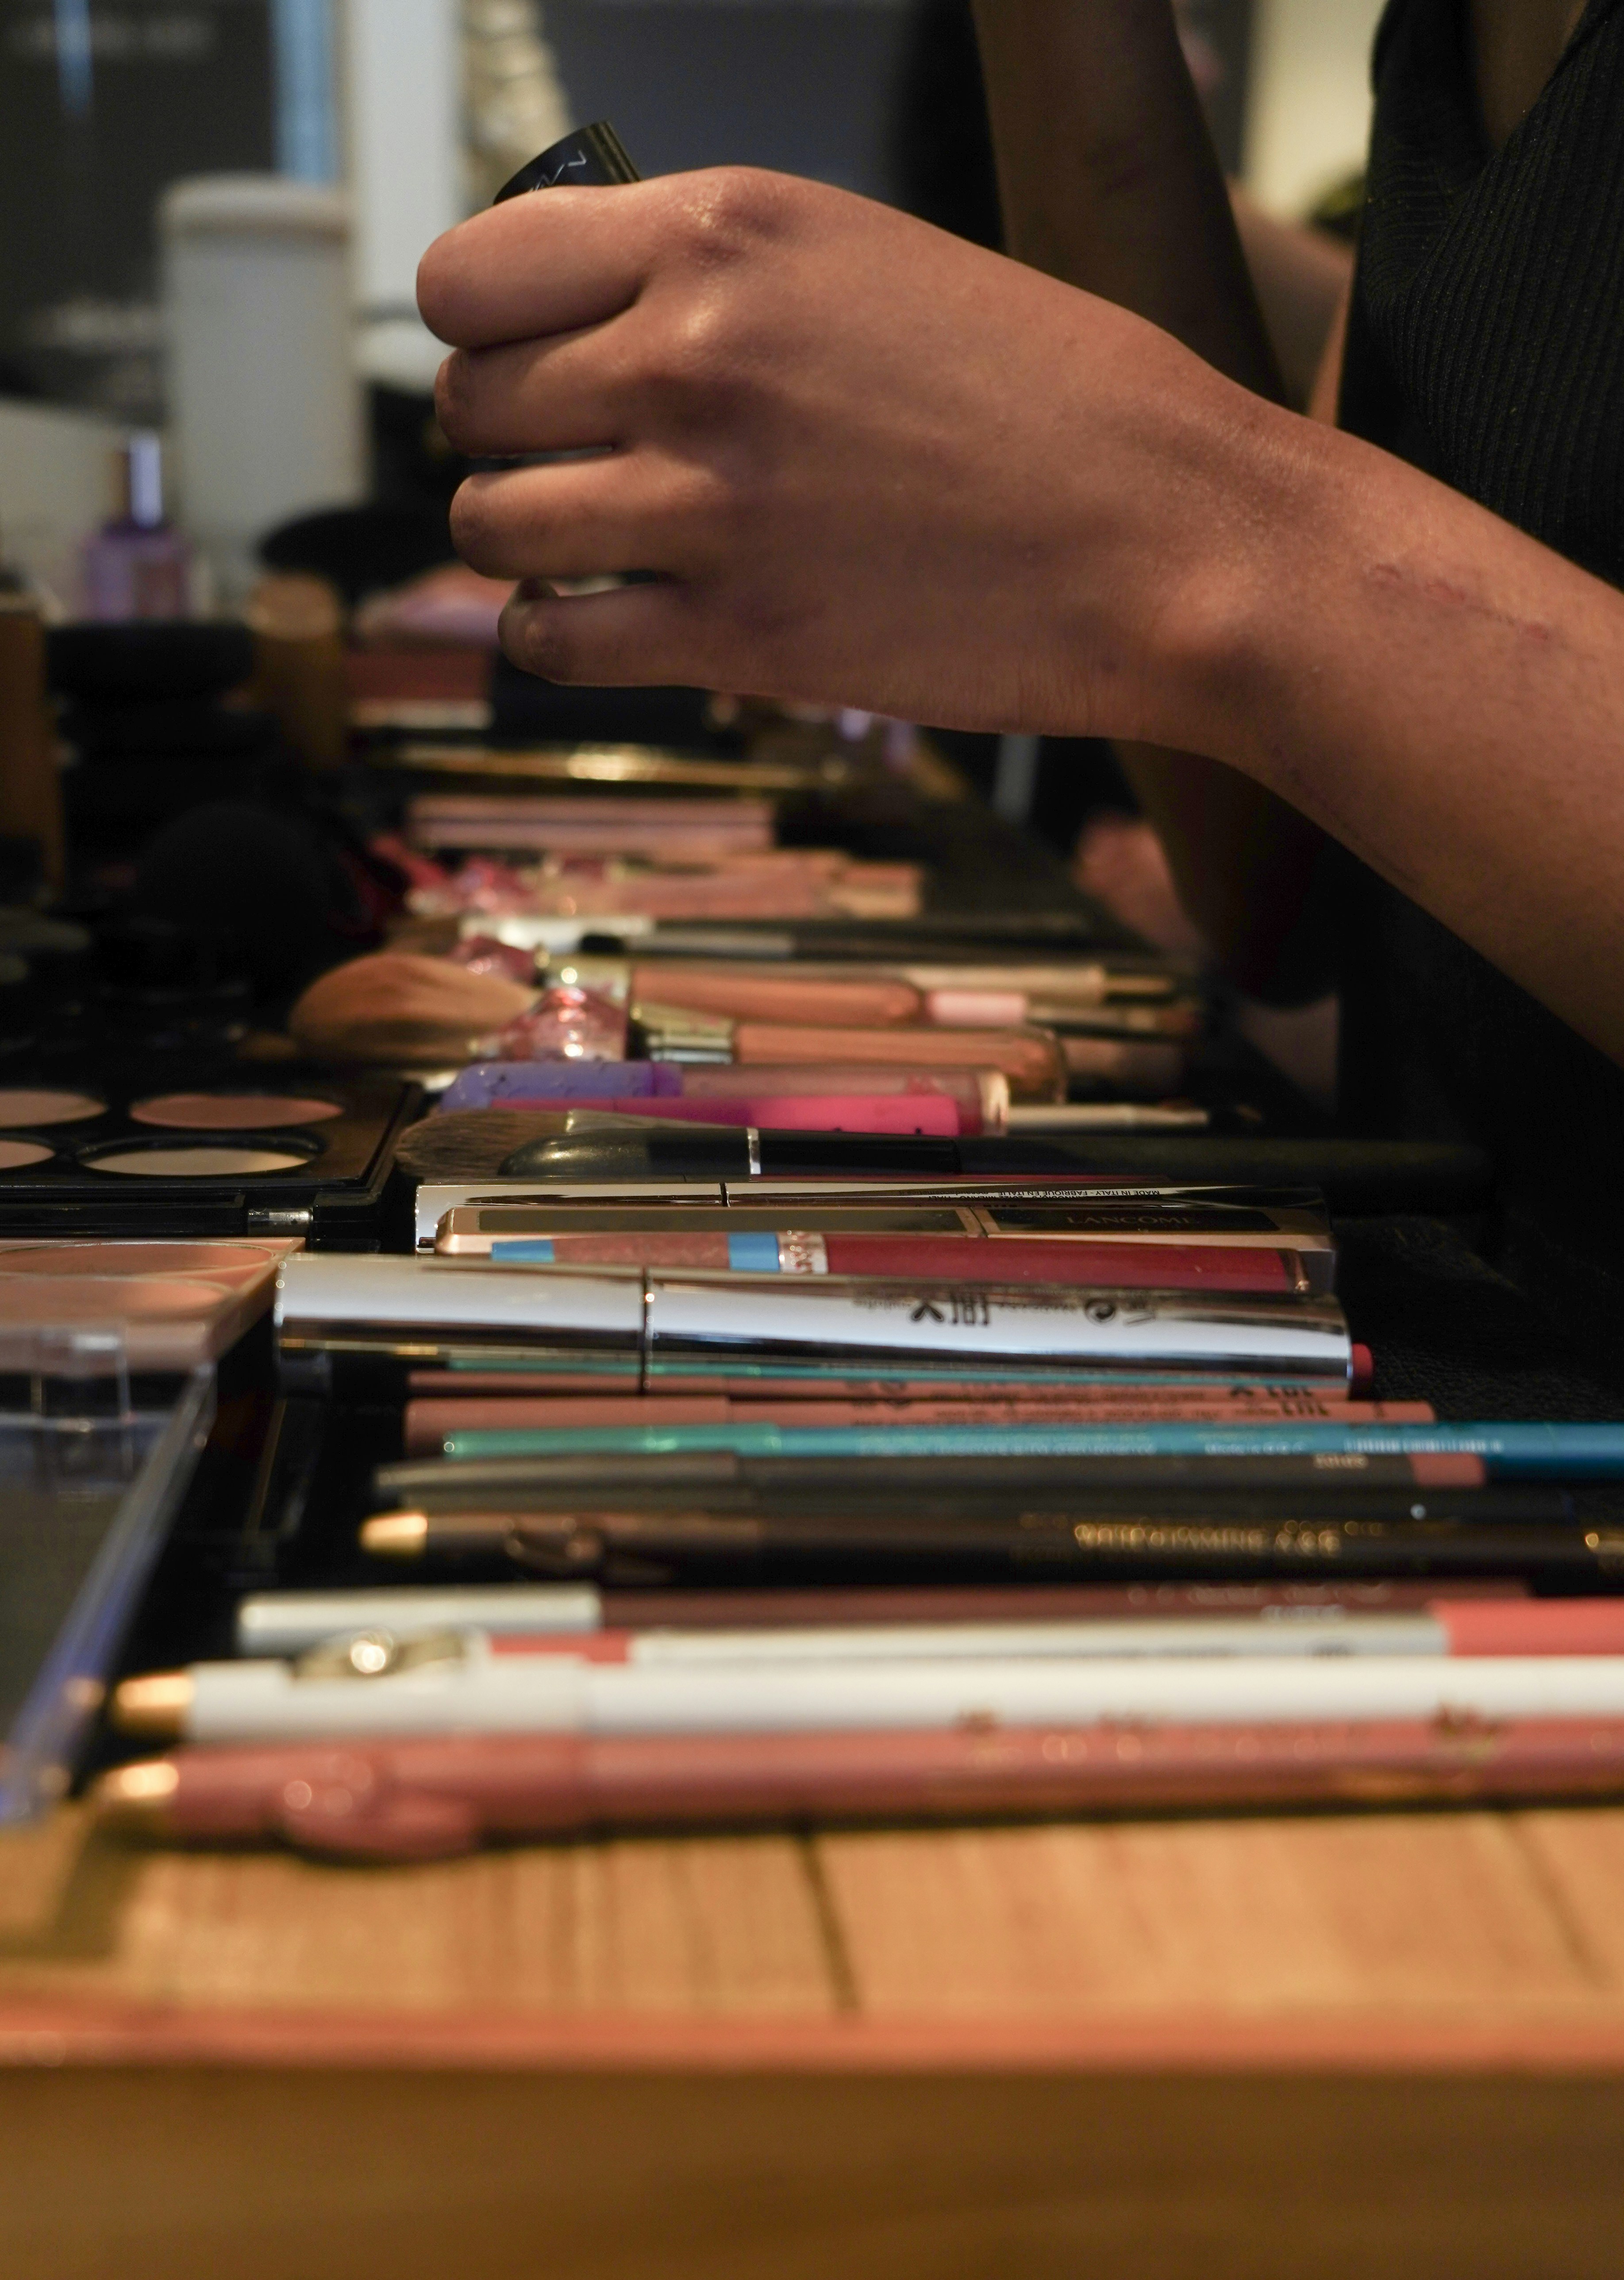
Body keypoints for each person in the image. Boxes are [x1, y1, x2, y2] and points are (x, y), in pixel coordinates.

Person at [416, 0, 1624, 1335]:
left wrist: (1190, 525)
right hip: (1437, 1368)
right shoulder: (1438, 39)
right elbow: (1286, 884)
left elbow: (1253, 609)